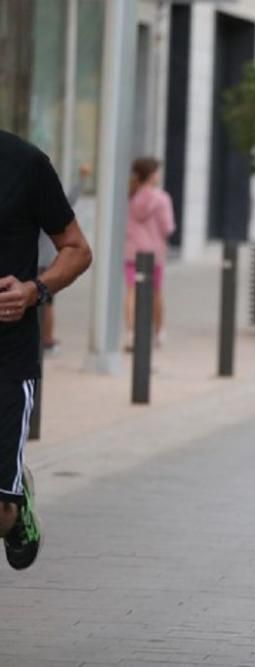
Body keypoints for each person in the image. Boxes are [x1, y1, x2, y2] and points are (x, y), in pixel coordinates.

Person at [0, 130, 93, 570]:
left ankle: (16, 512)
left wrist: (34, 290)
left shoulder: (25, 163)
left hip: (6, 357)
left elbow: (76, 249)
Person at [37, 163, 91, 353]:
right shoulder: (45, 204)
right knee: (45, 301)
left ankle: (45, 338)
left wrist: (82, 180)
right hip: (46, 262)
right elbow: (70, 201)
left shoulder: (29, 203)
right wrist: (82, 179)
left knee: (42, 301)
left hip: (39, 262)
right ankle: (46, 338)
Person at [124, 158, 175, 351]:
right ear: (152, 175)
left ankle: (130, 333)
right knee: (156, 292)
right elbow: (168, 228)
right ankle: (159, 332)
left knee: (131, 292)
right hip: (154, 253)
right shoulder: (162, 198)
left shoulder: (132, 195)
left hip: (132, 252)